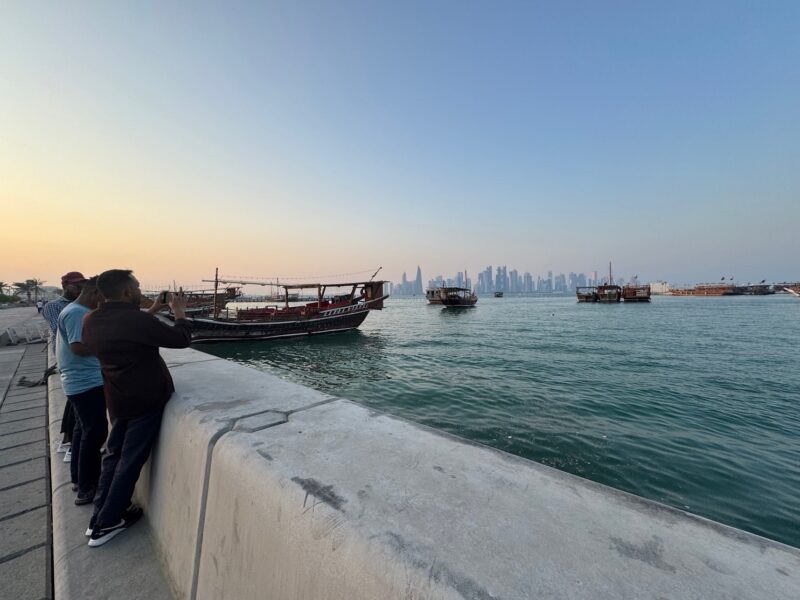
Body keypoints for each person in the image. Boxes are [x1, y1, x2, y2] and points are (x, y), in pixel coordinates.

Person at [82, 269, 191, 547]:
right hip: (145, 400)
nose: (141, 291)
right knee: (129, 462)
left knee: (112, 456)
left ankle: (97, 517)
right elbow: (181, 340)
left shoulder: (91, 319)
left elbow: (126, 331)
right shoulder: (134, 320)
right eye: (138, 287)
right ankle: (107, 524)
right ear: (127, 292)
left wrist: (152, 310)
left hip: (116, 399)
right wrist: (179, 313)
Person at [56, 277, 108, 505]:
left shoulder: (73, 310)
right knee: (94, 434)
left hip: (78, 383)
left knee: (82, 431)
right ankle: (88, 488)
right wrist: (110, 345)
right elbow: (78, 347)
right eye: (103, 297)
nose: (103, 302)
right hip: (86, 383)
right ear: (94, 293)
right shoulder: (77, 313)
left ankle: (79, 479)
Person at [43, 271, 89, 457]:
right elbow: (61, 330)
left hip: (80, 362)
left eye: (83, 286)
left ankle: (68, 441)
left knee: (74, 405)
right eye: (77, 286)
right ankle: (69, 443)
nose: (80, 289)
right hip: (71, 360)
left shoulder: (80, 306)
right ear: (65, 286)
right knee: (78, 407)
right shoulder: (55, 307)